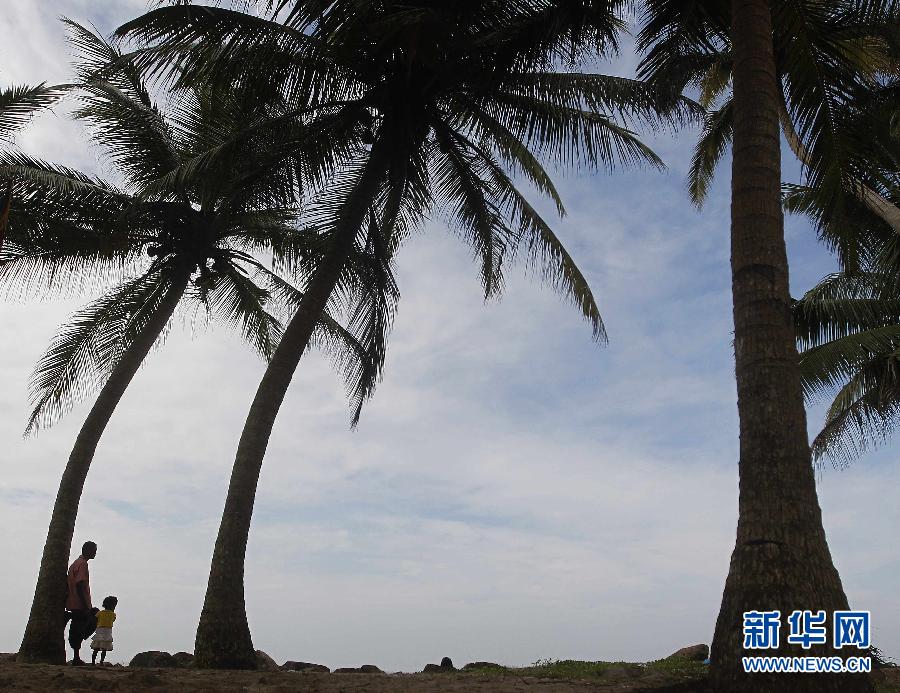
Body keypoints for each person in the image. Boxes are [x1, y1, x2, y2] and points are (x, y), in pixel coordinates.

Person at [65, 541, 97, 665]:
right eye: (94, 550)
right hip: (79, 603)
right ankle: (76, 658)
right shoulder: (82, 564)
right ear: (87, 550)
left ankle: (76, 656)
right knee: (81, 627)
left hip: (74, 602)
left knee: (78, 627)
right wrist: (85, 605)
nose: (95, 553)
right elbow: (80, 583)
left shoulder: (75, 564)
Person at [90, 596, 117, 665]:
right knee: (104, 649)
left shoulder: (100, 613)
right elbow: (113, 620)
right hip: (107, 631)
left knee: (96, 648)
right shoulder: (113, 614)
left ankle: (93, 662)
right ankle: (101, 662)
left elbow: (95, 619)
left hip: (99, 630)